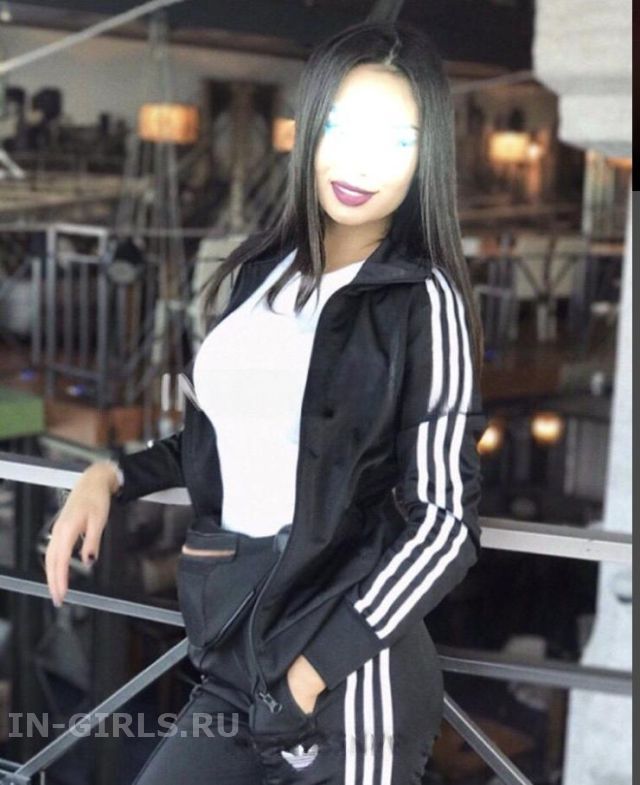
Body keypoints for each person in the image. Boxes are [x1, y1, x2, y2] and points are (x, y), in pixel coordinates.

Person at [45, 20, 487, 785]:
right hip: (235, 649)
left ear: (427, 158)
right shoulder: (262, 273)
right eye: (341, 127)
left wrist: (312, 674)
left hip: (351, 680)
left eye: (396, 140)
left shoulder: (423, 300)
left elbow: (445, 524)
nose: (360, 163)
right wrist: (109, 475)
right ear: (309, 126)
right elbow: (219, 440)